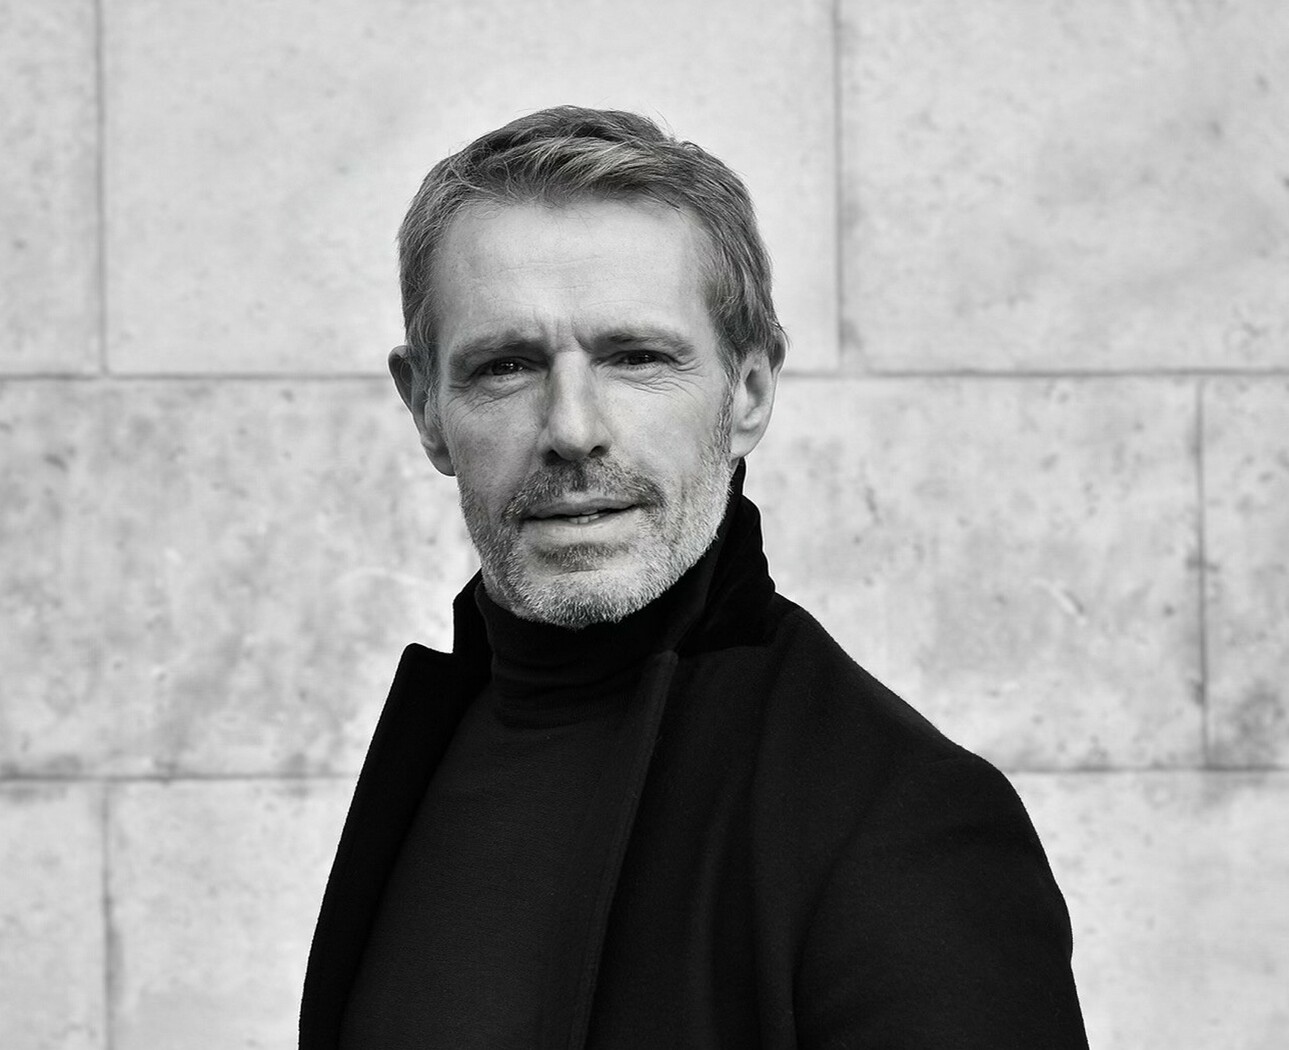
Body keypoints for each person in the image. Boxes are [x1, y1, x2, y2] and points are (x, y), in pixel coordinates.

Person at [300, 106, 1088, 1049]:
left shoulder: (901, 822)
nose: (572, 429)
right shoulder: (434, 756)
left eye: (635, 358)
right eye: (506, 366)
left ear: (748, 393)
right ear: (426, 408)